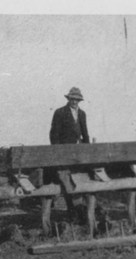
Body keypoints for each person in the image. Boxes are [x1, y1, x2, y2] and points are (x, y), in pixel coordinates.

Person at [47, 87, 91, 224]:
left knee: (82, 181)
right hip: (64, 154)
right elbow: (54, 134)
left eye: (77, 100)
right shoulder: (60, 113)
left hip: (78, 154)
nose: (75, 102)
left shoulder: (82, 114)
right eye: (72, 99)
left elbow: (85, 133)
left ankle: (83, 211)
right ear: (68, 99)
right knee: (67, 181)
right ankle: (73, 212)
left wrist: (87, 151)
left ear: (79, 101)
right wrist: (59, 153)